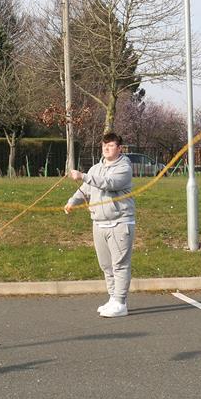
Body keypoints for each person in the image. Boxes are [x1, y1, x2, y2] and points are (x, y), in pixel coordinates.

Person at [64, 132, 137, 318]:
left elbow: (109, 183)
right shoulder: (96, 169)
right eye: (104, 145)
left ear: (119, 148)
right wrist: (72, 202)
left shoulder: (124, 168)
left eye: (111, 145)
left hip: (120, 222)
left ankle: (121, 302)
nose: (106, 148)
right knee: (106, 265)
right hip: (99, 223)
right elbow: (86, 191)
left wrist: (83, 176)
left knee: (120, 265)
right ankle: (113, 298)